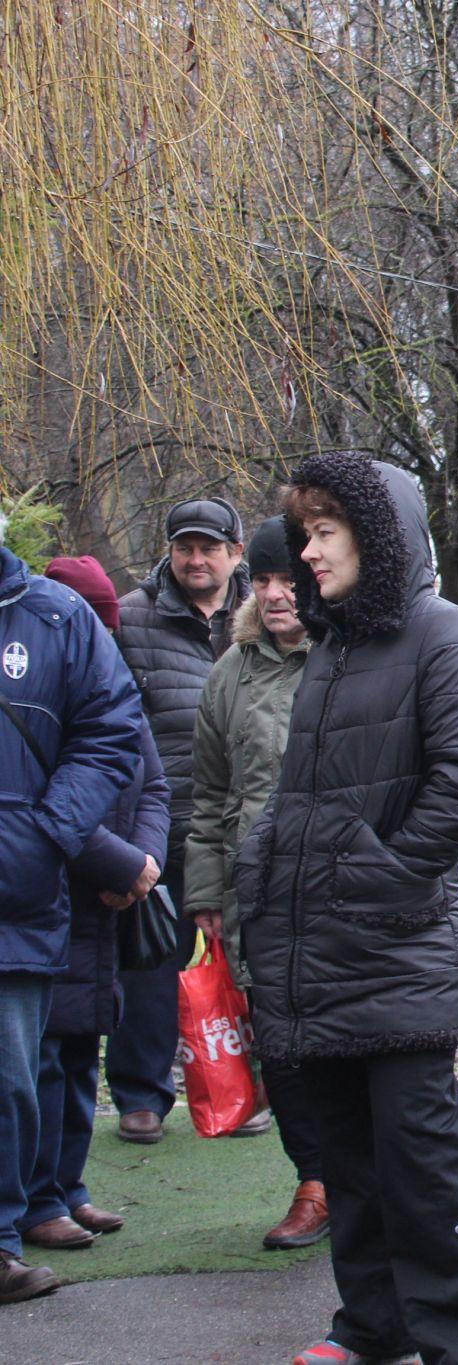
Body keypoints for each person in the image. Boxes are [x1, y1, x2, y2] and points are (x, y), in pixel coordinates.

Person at [238, 452, 458, 1365]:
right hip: (318, 953)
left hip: (393, 954)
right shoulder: (335, 646)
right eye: (303, 533)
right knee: (350, 1164)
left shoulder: (443, 633)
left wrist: (387, 880)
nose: (306, 555)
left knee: (423, 1168)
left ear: (377, 534)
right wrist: (262, 870)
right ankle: (372, 1325)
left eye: (323, 533)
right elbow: (306, 792)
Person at [0, 535, 143, 1303]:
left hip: (13, 896)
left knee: (10, 1082)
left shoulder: (56, 619)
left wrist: (47, 828)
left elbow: (115, 727)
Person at [184, 516, 326, 1250]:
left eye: (288, 579)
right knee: (282, 1048)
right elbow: (209, 795)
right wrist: (207, 895)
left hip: (339, 893)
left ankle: (364, 1177)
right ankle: (314, 1182)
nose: (275, 595)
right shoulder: (231, 672)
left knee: (351, 1042)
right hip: (256, 895)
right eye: (264, 580)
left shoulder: (348, 656)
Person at [19, 558, 166, 1256]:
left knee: (81, 1052)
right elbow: (51, 798)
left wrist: (146, 860)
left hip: (107, 906)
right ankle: (36, 1195)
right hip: (52, 891)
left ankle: (67, 1186)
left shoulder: (114, 687)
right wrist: (118, 861)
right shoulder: (41, 676)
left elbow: (151, 781)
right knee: (40, 1058)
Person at [110, 495, 251, 1145]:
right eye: (185, 547)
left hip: (247, 820)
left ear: (235, 552)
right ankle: (141, 1094)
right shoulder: (131, 619)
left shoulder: (270, 612)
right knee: (150, 965)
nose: (196, 559)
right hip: (165, 822)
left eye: (209, 547)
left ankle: (253, 1088)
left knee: (253, 962)